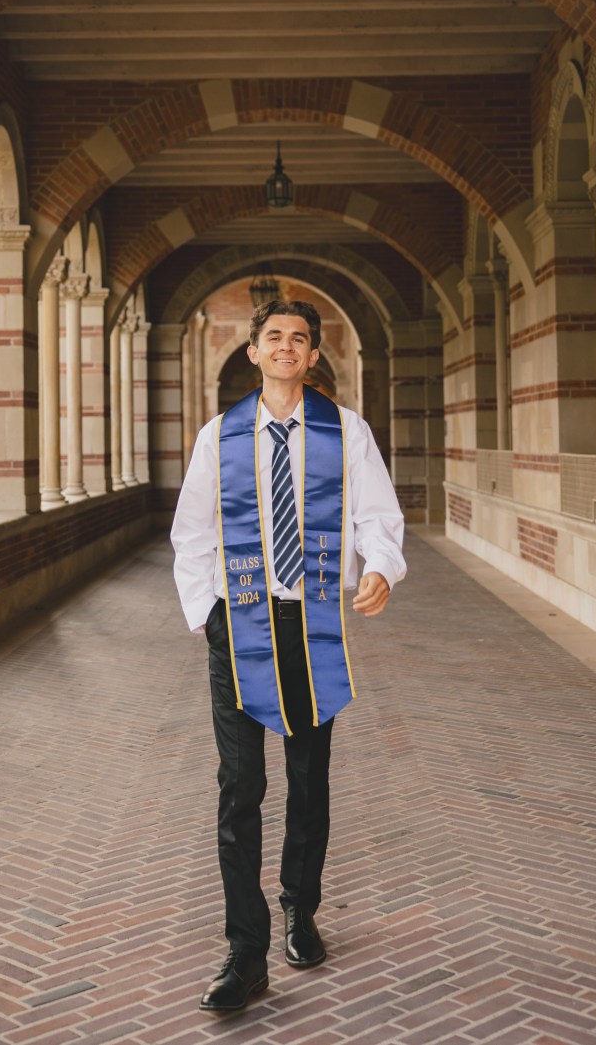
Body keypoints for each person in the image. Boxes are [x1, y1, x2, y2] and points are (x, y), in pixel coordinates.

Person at [171, 299, 406, 1013]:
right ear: (255, 351)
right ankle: (246, 947)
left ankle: (301, 910)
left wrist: (380, 566)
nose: (285, 347)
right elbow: (193, 530)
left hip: (310, 626)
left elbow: (377, 514)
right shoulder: (222, 435)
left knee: (310, 780)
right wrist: (210, 612)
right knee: (240, 789)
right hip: (238, 628)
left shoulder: (346, 431)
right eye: (273, 336)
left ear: (312, 356)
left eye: (298, 339)